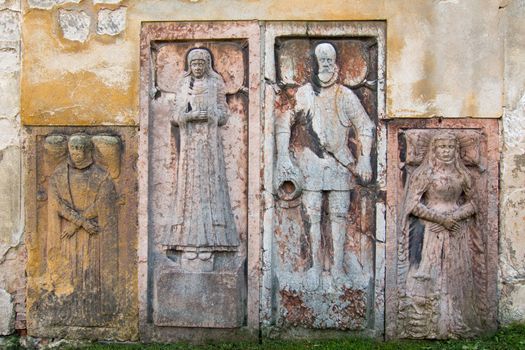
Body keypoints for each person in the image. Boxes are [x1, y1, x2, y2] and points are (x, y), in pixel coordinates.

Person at [275, 42, 375, 289]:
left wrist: (364, 159)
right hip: (311, 164)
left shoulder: (345, 95)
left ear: (337, 64)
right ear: (316, 64)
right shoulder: (305, 93)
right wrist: (283, 158)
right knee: (313, 216)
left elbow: (364, 126)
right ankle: (315, 268)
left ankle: (338, 268)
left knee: (339, 217)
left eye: (331, 60)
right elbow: (283, 121)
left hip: (340, 165)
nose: (327, 64)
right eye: (323, 60)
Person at [397, 131, 484, 338]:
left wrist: (454, 216)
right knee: (427, 275)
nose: (446, 151)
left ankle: (457, 324)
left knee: (457, 274)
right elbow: (412, 205)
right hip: (431, 230)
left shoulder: (463, 175)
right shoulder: (424, 174)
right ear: (433, 150)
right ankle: (427, 327)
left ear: (456, 150)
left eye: (450, 147)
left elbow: (474, 204)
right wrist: (440, 219)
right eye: (442, 147)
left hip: (457, 231)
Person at [162, 48, 239, 259]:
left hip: (210, 145)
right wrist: (191, 115)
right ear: (189, 66)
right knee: (189, 188)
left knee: (211, 186)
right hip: (189, 146)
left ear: (207, 65)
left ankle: (214, 238)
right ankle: (186, 238)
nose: (197, 68)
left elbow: (224, 114)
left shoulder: (215, 84)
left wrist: (211, 114)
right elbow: (175, 115)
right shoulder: (184, 85)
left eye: (200, 64)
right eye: (193, 64)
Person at [47, 133, 118, 326]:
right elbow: (57, 204)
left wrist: (79, 223)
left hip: (92, 236)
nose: (76, 153)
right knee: (69, 269)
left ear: (88, 150)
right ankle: (67, 311)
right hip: (69, 235)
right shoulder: (59, 174)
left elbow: (103, 202)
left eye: (80, 148)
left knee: (90, 271)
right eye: (73, 148)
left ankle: (93, 313)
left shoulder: (100, 175)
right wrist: (80, 223)